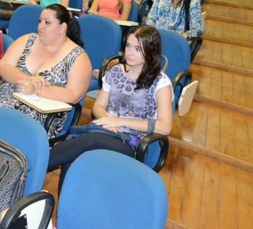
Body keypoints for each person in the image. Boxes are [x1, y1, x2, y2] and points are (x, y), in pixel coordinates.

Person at [48, 25, 173, 189]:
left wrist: (119, 122)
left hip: (131, 141)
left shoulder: (160, 82)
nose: (129, 52)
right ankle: (63, 209)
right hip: (105, 130)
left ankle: (35, 166)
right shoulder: (115, 72)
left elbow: (165, 126)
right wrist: (107, 120)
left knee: (85, 142)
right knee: (73, 157)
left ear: (150, 52)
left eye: (137, 49)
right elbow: (98, 107)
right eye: (128, 46)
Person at [0, 4, 91, 142]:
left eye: (47, 23)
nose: (41, 26)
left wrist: (37, 89)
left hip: (41, 111)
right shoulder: (28, 40)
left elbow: (74, 95)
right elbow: (3, 67)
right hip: (5, 96)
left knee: (2, 133)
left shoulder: (78, 57)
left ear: (62, 28)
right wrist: (28, 80)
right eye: (40, 21)